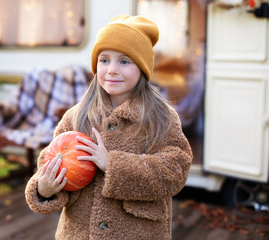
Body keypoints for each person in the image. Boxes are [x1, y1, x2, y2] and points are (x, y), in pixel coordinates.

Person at [25, 14, 193, 240]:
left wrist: (112, 163)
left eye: (124, 61)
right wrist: (43, 190)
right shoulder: (76, 116)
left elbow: (175, 169)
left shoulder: (161, 117)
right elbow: (50, 163)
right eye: (104, 60)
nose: (112, 69)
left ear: (142, 68)